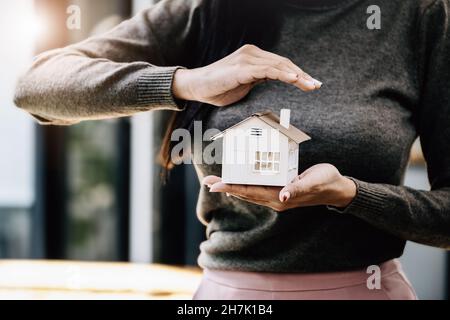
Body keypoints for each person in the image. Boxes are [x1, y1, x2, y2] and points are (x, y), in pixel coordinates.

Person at [14, 0, 450, 300]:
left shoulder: (417, 14)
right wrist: (187, 82)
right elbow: (36, 87)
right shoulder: (209, 9)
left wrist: (351, 195)